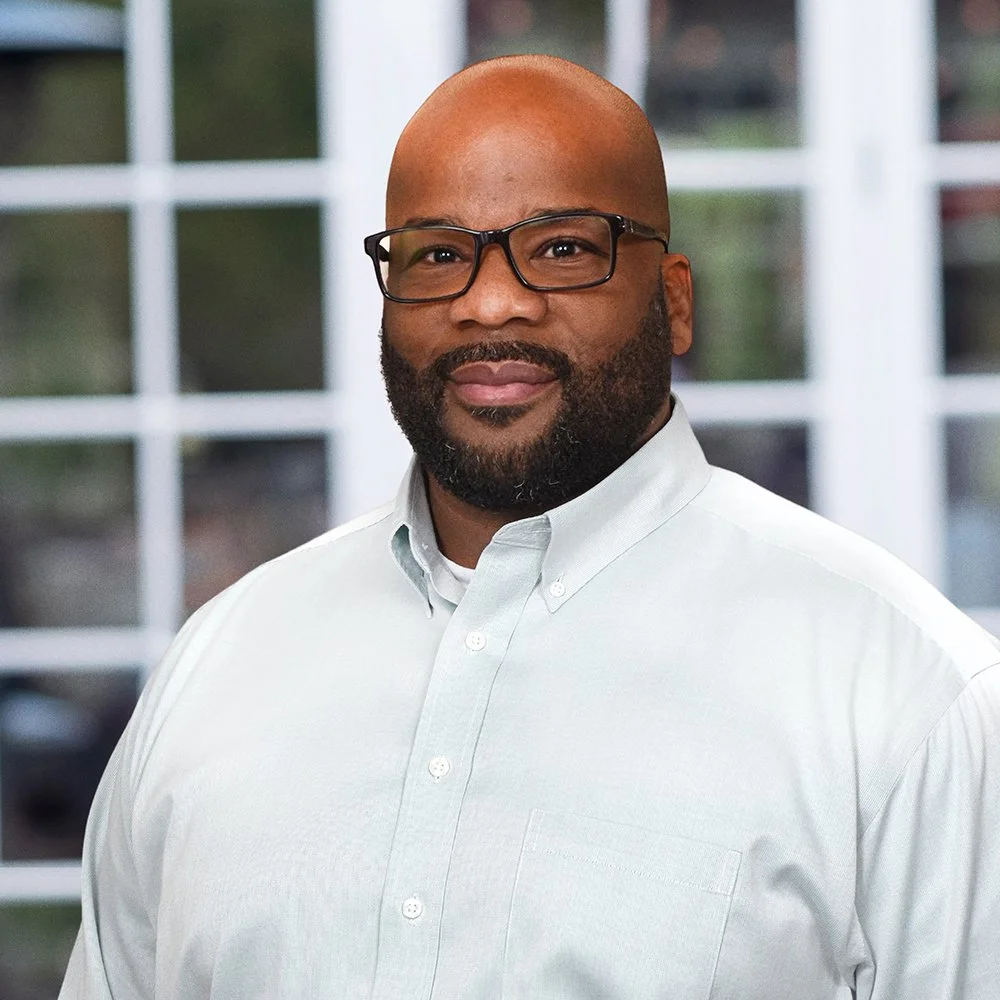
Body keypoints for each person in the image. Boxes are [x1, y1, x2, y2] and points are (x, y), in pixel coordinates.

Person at [61, 55, 998, 1000]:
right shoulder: (217, 669)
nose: (490, 301)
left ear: (673, 298)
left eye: (561, 248)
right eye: (436, 253)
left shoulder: (903, 694)